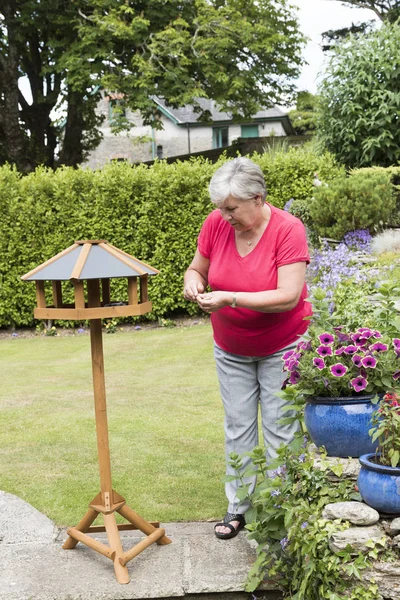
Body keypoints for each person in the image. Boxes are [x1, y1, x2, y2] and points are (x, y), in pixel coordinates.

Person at [183, 157, 311, 540]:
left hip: (282, 347)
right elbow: (197, 268)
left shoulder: (288, 229)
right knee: (238, 427)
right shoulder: (215, 224)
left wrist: (231, 298)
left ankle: (280, 509)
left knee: (281, 431)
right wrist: (193, 282)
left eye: (232, 209)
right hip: (231, 348)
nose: (225, 217)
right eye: (221, 209)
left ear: (257, 198)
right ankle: (239, 506)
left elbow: (288, 296)